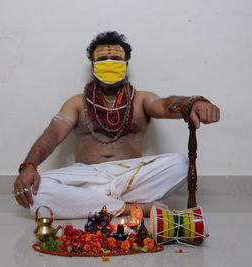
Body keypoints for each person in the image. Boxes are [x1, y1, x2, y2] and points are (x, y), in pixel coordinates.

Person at [13, 31, 220, 219]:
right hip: (87, 176)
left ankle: (91, 202)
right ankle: (129, 207)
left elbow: (168, 104)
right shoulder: (76, 102)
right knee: (36, 189)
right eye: (102, 59)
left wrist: (193, 102)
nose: (109, 63)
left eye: (116, 59)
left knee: (181, 164)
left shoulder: (141, 99)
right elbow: (53, 133)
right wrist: (29, 166)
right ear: (93, 64)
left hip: (128, 176)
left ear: (126, 64)